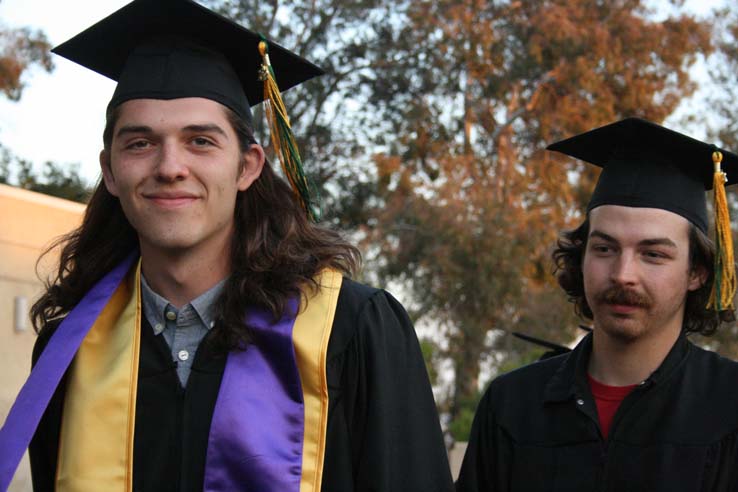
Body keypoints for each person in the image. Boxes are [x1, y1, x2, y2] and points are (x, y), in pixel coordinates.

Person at [0, 0, 453, 490]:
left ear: (248, 166)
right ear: (110, 170)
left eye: (201, 141)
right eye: (140, 143)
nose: (170, 166)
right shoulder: (69, 353)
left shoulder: (349, 333)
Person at [456, 117, 738, 491]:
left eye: (652, 254)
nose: (623, 274)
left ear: (697, 272)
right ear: (582, 255)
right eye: (605, 248)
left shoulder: (729, 406)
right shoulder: (511, 405)